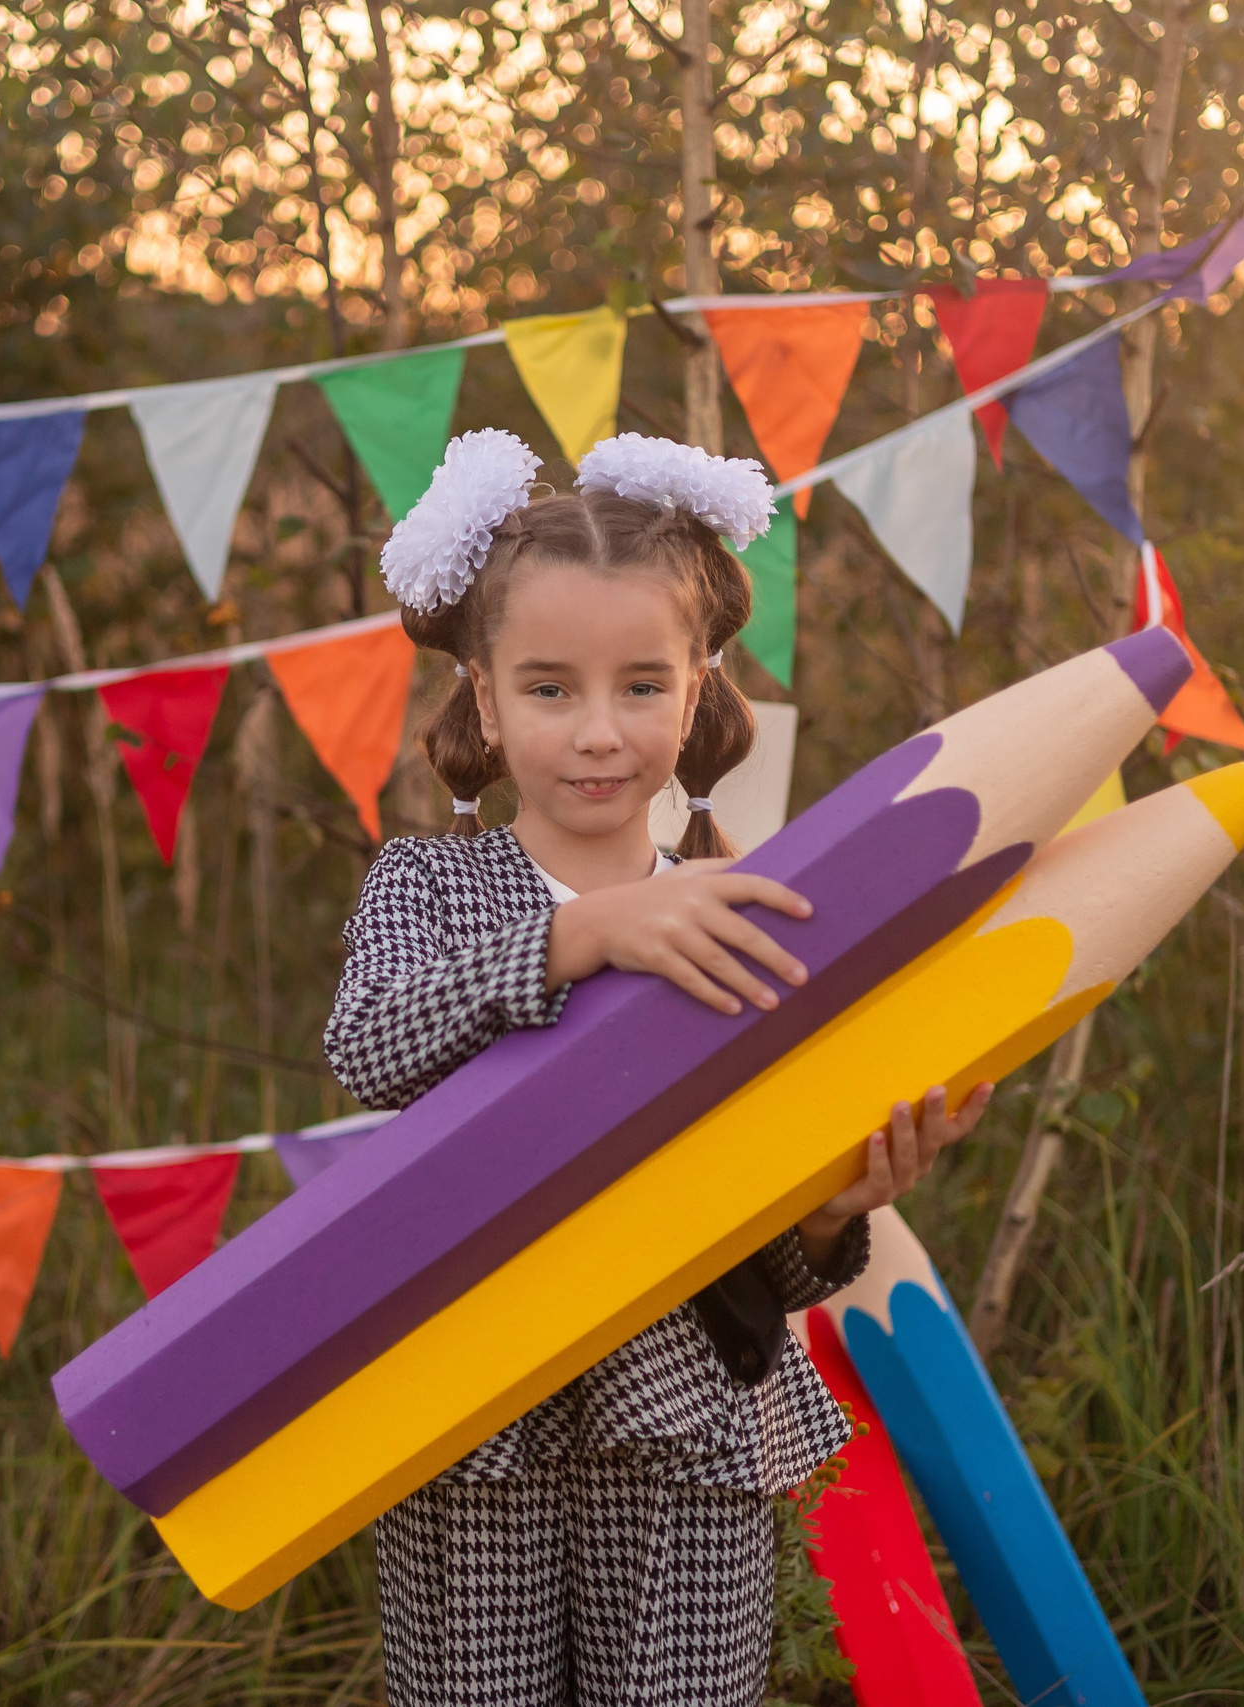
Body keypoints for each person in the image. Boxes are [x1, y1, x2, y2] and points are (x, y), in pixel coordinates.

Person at [325, 428, 992, 1707]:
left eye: (640, 685)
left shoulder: (753, 913)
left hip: (687, 1424)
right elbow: (371, 1044)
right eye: (548, 687)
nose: (597, 733)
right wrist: (580, 937)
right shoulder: (428, 887)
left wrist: (832, 1208)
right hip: (469, 1420)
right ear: (481, 690)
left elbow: (766, 1247)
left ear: (700, 687)